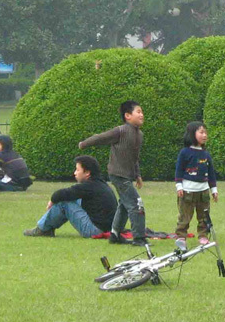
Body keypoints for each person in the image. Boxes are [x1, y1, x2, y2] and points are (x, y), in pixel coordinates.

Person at [79, 100, 146, 246]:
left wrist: (138, 175)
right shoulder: (120, 131)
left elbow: (135, 158)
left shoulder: (139, 135)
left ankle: (115, 235)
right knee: (136, 204)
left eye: (142, 112)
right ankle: (139, 238)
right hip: (118, 174)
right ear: (127, 116)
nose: (142, 115)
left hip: (127, 176)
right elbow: (100, 137)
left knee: (124, 204)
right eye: (138, 112)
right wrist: (84, 144)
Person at [23, 156, 117, 237]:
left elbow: (62, 194)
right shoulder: (101, 184)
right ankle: (46, 228)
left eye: (77, 170)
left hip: (95, 230)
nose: (74, 173)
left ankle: (42, 229)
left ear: (87, 172)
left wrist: (52, 201)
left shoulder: (88, 186)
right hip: (109, 229)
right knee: (74, 199)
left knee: (64, 203)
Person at [174, 122, 219, 252]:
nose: (204, 135)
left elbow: (211, 174)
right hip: (187, 191)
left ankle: (203, 235)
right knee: (185, 215)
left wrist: (214, 190)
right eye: (201, 132)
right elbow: (179, 170)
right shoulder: (185, 152)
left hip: (203, 191)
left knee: (204, 216)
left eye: (205, 132)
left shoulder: (206, 154)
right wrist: (179, 186)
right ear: (192, 134)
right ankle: (181, 236)